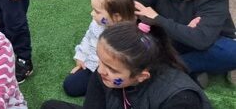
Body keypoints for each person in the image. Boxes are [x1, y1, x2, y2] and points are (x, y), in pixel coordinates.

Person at [41, 22, 212, 109]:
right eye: (100, 60)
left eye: (112, 69)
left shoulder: (180, 99)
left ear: (142, 76)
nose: (100, 70)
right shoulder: (104, 74)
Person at [63, 0, 136, 97]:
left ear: (117, 17)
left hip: (112, 72)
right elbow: (88, 38)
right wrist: (81, 57)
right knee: (71, 85)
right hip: (93, 65)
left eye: (97, 11)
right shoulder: (97, 23)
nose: (92, 13)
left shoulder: (128, 36)